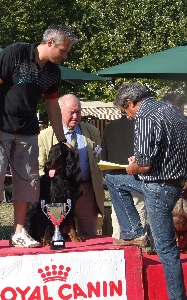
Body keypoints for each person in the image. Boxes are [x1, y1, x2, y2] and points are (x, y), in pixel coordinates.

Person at [0, 25, 78, 250]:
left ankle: (19, 232)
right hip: (0, 127)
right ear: (50, 43)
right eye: (63, 50)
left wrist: (62, 140)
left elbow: (52, 107)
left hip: (28, 130)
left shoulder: (53, 72)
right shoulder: (16, 52)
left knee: (27, 182)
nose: (65, 55)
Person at [105, 82, 187, 300]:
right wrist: (140, 161)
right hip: (175, 184)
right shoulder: (172, 110)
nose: (128, 117)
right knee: (113, 180)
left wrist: (133, 166)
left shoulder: (144, 117)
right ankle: (134, 233)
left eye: (125, 112)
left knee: (166, 249)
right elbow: (163, 152)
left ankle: (177, 297)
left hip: (157, 187)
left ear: (130, 103)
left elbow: (144, 166)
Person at [38, 94, 105, 236]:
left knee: (89, 236)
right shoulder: (45, 136)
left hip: (86, 190)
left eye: (78, 112)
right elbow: (39, 167)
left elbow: (98, 158)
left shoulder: (93, 132)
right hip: (58, 193)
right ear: (59, 112)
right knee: (59, 236)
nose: (75, 116)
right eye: (71, 113)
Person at [101, 113, 146, 239]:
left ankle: (118, 244)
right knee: (138, 211)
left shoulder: (110, 127)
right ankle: (138, 245)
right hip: (136, 175)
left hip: (114, 176)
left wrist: (106, 173)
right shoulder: (142, 126)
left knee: (118, 214)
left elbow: (103, 152)